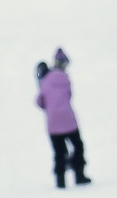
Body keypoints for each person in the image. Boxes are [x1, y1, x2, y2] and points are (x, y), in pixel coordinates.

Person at [35, 49, 88, 188]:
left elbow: (39, 101)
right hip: (68, 120)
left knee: (59, 152)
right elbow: (69, 95)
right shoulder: (65, 78)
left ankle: (60, 180)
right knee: (77, 145)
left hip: (53, 122)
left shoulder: (45, 80)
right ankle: (79, 174)